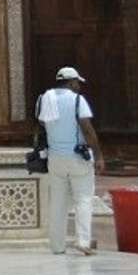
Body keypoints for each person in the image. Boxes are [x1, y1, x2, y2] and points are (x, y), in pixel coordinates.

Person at [37, 66, 103, 256]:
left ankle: (57, 245)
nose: (79, 86)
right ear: (72, 82)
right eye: (77, 83)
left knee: (58, 202)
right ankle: (83, 241)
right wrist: (98, 155)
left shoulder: (45, 100)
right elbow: (88, 129)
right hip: (77, 157)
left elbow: (42, 123)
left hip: (55, 159)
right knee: (83, 198)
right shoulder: (77, 100)